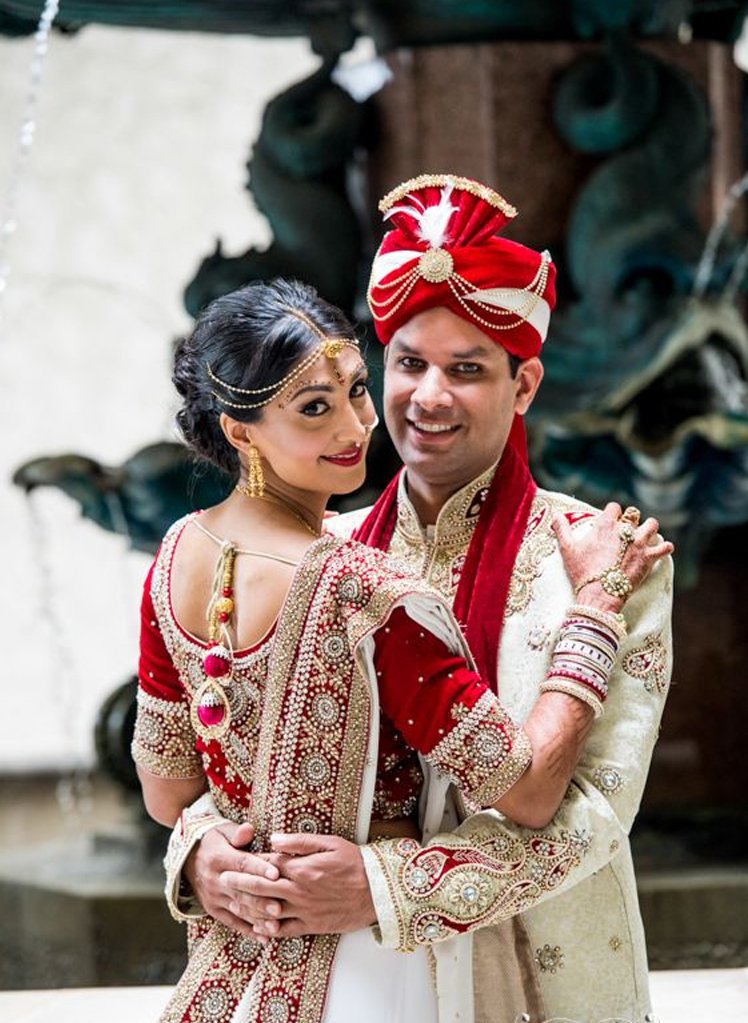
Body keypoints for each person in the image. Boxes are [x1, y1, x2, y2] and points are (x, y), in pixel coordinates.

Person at [171, 176, 675, 1023]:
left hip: (535, 978)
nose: (428, 395)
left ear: (524, 384)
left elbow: (593, 813)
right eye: (408, 364)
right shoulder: (316, 552)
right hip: (340, 976)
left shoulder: (605, 559)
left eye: (466, 369)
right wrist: (200, 856)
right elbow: (222, 758)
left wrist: (383, 886)